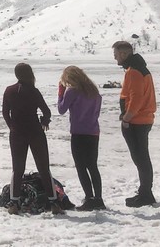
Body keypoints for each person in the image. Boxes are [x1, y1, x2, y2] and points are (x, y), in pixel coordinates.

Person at [1, 62, 61, 214]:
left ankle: (14, 204)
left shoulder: (9, 90)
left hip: (17, 133)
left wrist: (11, 126)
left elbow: (5, 112)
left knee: (18, 169)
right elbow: (46, 111)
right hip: (35, 132)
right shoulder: (34, 91)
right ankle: (54, 204)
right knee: (44, 168)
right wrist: (44, 122)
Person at [113, 40, 157, 207]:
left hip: (137, 121)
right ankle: (145, 192)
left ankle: (146, 194)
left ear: (124, 54)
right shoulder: (139, 68)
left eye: (116, 54)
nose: (115, 58)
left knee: (141, 158)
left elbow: (136, 98)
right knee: (141, 157)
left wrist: (127, 118)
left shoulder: (134, 72)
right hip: (141, 119)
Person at [58, 65, 104, 210]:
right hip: (93, 132)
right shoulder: (93, 91)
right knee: (92, 166)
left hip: (79, 132)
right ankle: (98, 198)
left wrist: (61, 92)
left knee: (81, 167)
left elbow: (61, 109)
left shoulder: (72, 91)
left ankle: (89, 197)